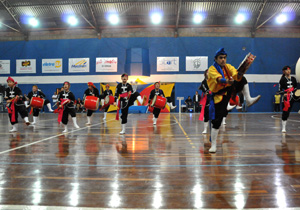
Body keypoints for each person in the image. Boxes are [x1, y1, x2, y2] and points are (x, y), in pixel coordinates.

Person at [207, 48, 258, 153]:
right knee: (217, 121)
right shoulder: (212, 69)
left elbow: (237, 76)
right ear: (216, 59)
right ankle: (213, 144)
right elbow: (218, 79)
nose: (223, 60)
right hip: (219, 96)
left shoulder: (228, 67)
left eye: (224, 58)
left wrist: (243, 69)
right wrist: (227, 81)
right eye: (220, 58)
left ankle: (248, 99)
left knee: (242, 79)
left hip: (229, 89)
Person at [279, 65, 299, 133]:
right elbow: (279, 90)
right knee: (286, 112)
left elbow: (296, 87)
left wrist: (296, 92)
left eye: (289, 70)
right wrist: (283, 93)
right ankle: (283, 127)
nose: (289, 71)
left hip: (294, 95)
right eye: (287, 70)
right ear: (284, 71)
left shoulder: (293, 78)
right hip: (286, 97)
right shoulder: (282, 79)